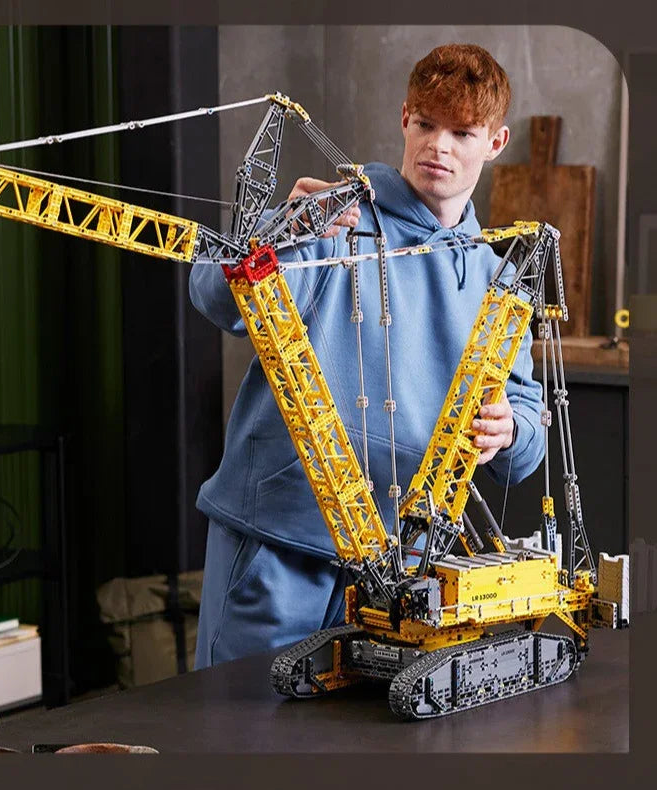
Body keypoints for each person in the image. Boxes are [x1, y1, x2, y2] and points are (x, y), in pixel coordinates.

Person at [189, 43, 545, 669]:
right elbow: (216, 296)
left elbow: (525, 433)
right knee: (239, 718)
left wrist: (511, 429)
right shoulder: (333, 219)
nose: (438, 146)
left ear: (495, 143)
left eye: (462, 133)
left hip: (404, 571)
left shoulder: (498, 281)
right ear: (405, 118)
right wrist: (281, 231)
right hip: (280, 542)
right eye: (426, 124)